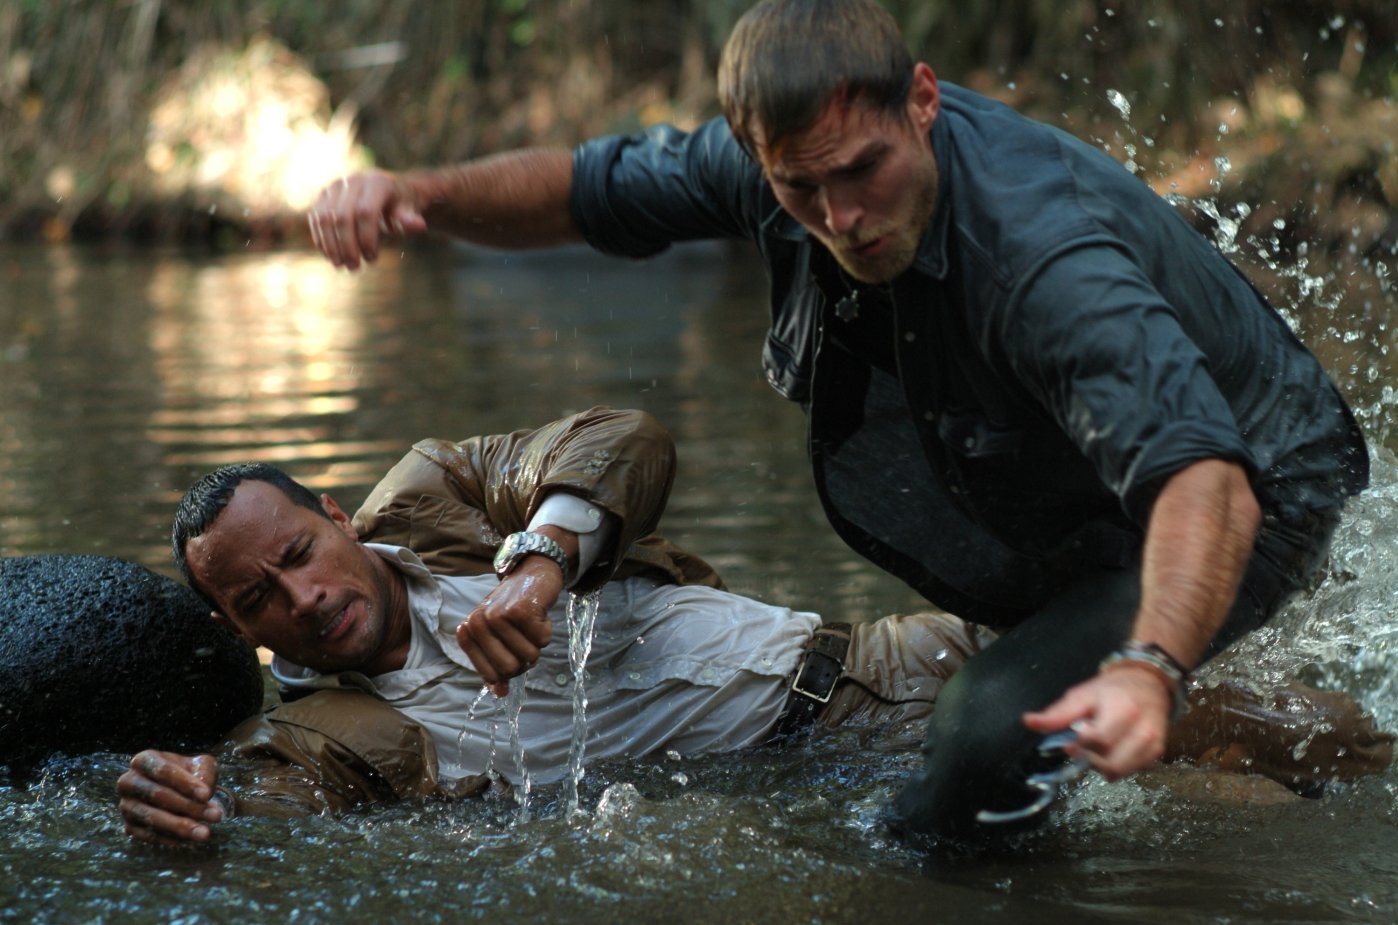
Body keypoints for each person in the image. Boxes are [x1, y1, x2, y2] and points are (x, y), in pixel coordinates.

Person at [305, 0, 1370, 843]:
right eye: (802, 190)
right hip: (1084, 475)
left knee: (977, 755)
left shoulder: (1047, 264)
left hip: (1257, 484)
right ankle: (1300, 750)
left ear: (921, 100)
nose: (842, 219)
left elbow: (1206, 483)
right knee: (1037, 674)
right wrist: (420, 196)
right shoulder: (783, 164)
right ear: (757, 156)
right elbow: (589, 192)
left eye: (864, 172)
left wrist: (1148, 663)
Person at [115, 408, 987, 848]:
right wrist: (196, 808)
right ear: (237, 630)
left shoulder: (433, 494)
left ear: (340, 518)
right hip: (813, 805)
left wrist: (539, 569)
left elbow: (622, 436)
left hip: (881, 669)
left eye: (301, 551)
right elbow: (267, 816)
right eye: (259, 598)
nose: (301, 596)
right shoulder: (311, 740)